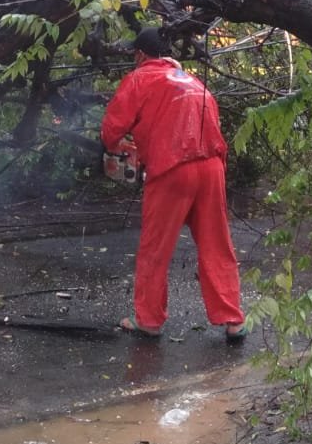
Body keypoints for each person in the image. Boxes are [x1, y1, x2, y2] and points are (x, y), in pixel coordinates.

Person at [101, 26, 245, 341]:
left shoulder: (139, 78)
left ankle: (149, 321)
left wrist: (116, 147)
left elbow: (112, 127)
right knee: (217, 243)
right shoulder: (191, 81)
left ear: (140, 55)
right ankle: (233, 320)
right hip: (211, 168)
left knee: (155, 247)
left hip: (172, 169)